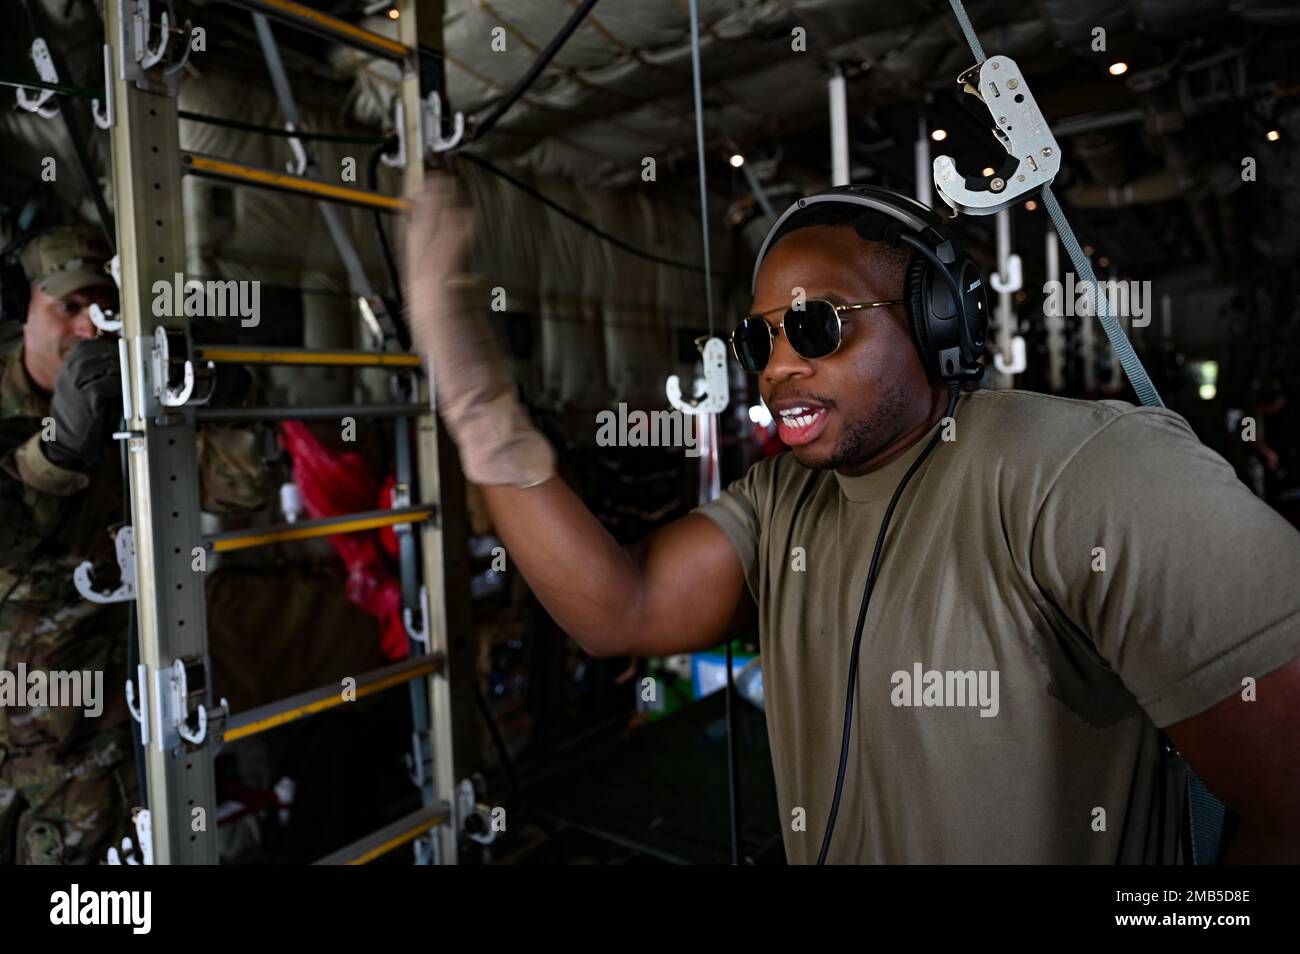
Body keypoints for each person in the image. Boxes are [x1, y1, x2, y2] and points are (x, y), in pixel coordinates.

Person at [404, 178, 1300, 864]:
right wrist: (479, 403)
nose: (778, 367)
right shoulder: (779, 500)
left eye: (817, 327)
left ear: (936, 320)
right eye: (761, 340)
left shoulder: (1088, 471)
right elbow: (620, 610)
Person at [0, 224, 269, 864]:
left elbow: (239, 490)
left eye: (105, 311)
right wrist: (56, 452)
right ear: (22, 308)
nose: (90, 329)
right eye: (69, 307)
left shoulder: (136, 406)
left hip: (85, 736)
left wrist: (222, 400)